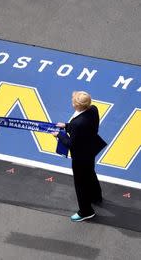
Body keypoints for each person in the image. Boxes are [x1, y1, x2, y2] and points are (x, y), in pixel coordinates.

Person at [52, 91, 107, 222]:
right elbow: (85, 127)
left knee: (81, 184)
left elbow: (71, 144)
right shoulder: (93, 109)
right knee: (90, 173)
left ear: (77, 106)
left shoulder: (78, 124)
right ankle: (96, 196)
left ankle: (86, 211)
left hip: (80, 157)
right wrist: (67, 126)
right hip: (91, 150)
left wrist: (58, 135)